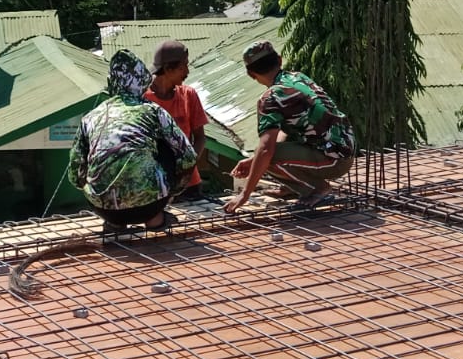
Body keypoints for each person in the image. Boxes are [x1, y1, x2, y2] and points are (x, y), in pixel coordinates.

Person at [71, 49, 198, 231]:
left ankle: (116, 223)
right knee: (164, 146)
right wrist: (171, 191)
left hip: (103, 209)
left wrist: (99, 189)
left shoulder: (90, 117)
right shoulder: (153, 111)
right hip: (150, 206)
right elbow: (188, 156)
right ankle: (155, 219)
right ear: (142, 82)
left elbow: (75, 172)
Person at [224, 40, 355, 215]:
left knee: (265, 156)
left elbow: (265, 150)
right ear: (279, 60)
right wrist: (254, 161)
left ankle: (316, 189)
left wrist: (244, 194)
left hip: (332, 161)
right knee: (263, 157)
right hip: (345, 150)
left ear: (251, 74)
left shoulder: (270, 99)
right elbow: (286, 130)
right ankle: (294, 187)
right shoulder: (298, 78)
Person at [144, 40, 215, 204]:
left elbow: (200, 137)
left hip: (188, 184)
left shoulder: (188, 95)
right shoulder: (143, 100)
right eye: (183, 66)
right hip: (156, 186)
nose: (187, 71)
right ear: (168, 69)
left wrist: (187, 168)